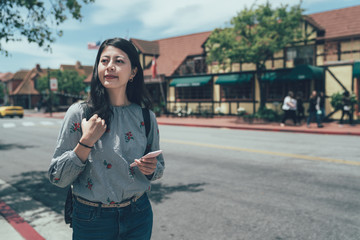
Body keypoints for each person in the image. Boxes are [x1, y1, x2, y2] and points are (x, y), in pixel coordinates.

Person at [48, 38, 165, 240]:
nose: (110, 66)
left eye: (119, 61)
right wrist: (86, 142)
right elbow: (57, 177)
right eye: (104, 61)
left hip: (138, 215)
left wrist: (151, 169)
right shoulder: (80, 113)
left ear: (133, 72)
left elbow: (159, 169)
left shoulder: (146, 117)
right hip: (92, 219)